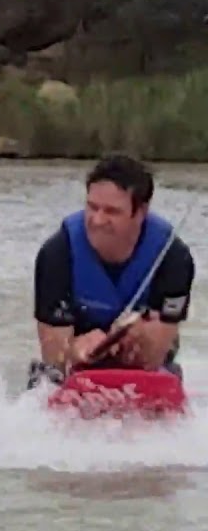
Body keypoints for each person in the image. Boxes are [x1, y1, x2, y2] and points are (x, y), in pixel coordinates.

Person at [28, 153, 195, 388]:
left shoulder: (174, 258)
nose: (97, 220)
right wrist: (75, 350)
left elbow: (155, 355)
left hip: (141, 361)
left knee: (162, 372)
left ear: (140, 212)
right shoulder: (56, 254)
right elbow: (53, 356)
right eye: (92, 207)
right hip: (78, 356)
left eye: (111, 211)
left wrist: (140, 341)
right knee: (46, 379)